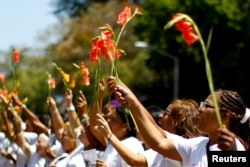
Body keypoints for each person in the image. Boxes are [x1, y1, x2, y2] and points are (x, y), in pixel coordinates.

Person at [107, 76, 249, 167]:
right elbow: (159, 142)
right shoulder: (198, 145)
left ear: (224, 117)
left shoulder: (235, 149)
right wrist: (132, 103)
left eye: (207, 106)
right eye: (201, 104)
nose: (200, 110)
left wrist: (233, 154)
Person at [89, 79, 144, 167]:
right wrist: (99, 95)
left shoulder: (132, 143)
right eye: (108, 118)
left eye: (113, 120)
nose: (108, 121)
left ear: (125, 125)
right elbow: (94, 124)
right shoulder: (112, 142)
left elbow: (135, 164)